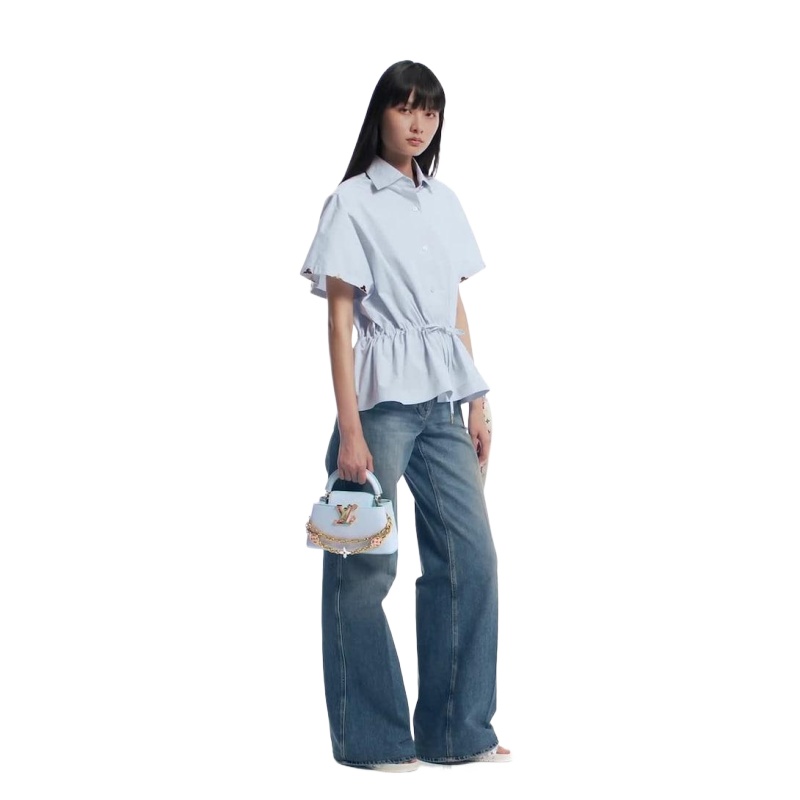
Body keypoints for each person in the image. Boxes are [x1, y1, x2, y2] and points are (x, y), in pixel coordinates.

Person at [300, 60, 509, 772]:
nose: (418, 123)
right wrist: (350, 429)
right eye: (405, 107)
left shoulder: (443, 201)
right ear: (380, 114)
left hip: (444, 401)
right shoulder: (351, 201)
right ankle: (373, 739)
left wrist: (478, 402)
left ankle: (458, 730)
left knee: (472, 560)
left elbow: (453, 308)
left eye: (430, 110)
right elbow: (339, 323)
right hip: (379, 407)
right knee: (362, 566)